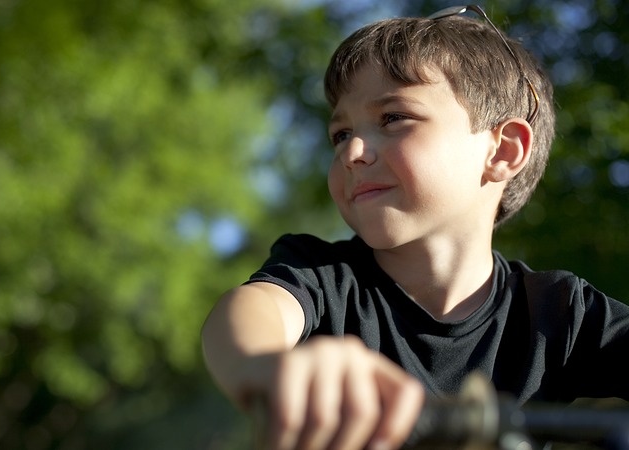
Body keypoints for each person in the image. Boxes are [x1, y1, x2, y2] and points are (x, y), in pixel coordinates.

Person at [201, 5, 629, 450]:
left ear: (503, 152)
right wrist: (267, 368)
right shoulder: (323, 279)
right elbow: (252, 313)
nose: (353, 152)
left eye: (392, 118)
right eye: (341, 134)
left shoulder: (558, 314)